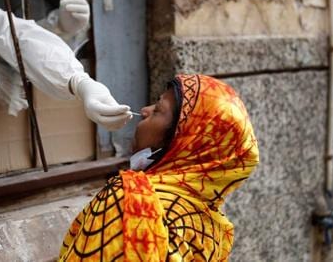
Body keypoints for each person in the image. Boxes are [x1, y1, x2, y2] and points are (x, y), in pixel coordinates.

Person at [59, 74, 259, 261]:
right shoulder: (212, 226)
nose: (144, 110)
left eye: (157, 110)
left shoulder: (131, 200)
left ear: (182, 143)